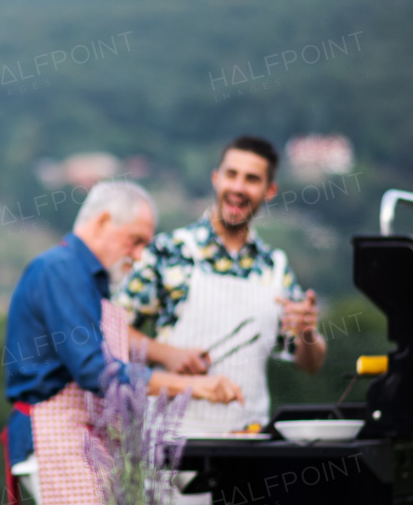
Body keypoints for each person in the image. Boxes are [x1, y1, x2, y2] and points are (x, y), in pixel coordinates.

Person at [2, 179, 243, 505]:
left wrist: (166, 353)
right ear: (103, 221)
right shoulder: (59, 270)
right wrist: (192, 387)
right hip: (54, 433)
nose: (138, 254)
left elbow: (106, 341)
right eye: (135, 241)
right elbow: (96, 371)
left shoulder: (86, 277)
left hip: (84, 437)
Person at [118, 135, 326, 433]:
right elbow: (111, 329)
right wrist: (167, 354)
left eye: (252, 179)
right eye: (232, 175)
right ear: (216, 179)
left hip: (249, 440)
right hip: (173, 444)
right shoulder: (169, 251)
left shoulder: (274, 267)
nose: (239, 188)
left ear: (270, 190)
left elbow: (311, 363)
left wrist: (307, 332)